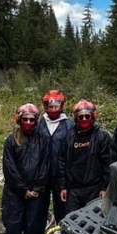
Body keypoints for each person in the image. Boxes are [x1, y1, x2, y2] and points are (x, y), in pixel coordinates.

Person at [1, 103, 51, 234]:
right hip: (15, 191)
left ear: (36, 121)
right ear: (19, 120)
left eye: (32, 120)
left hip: (36, 191)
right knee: (13, 223)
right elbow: (10, 169)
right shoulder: (11, 140)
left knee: (33, 223)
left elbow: (45, 165)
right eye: (25, 119)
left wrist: (36, 188)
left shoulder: (43, 139)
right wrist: (23, 189)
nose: (28, 122)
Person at [58, 100, 117, 213]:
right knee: (71, 220)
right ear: (76, 118)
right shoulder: (68, 137)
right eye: (81, 117)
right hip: (73, 190)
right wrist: (63, 187)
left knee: (94, 222)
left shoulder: (102, 136)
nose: (84, 119)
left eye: (87, 116)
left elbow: (108, 163)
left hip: (94, 189)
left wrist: (105, 188)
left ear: (93, 117)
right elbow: (62, 162)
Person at [38, 89, 74, 225]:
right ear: (45, 106)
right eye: (50, 106)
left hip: (61, 175)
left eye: (56, 105)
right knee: (39, 208)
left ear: (62, 106)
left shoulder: (69, 125)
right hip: (42, 174)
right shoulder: (38, 123)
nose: (53, 108)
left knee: (63, 209)